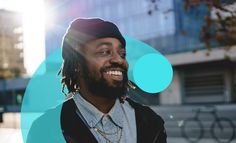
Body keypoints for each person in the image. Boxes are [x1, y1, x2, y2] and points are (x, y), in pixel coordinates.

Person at [27, 18, 167, 143]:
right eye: (104, 51)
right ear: (77, 64)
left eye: (122, 53)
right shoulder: (46, 130)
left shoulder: (150, 122)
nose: (119, 60)